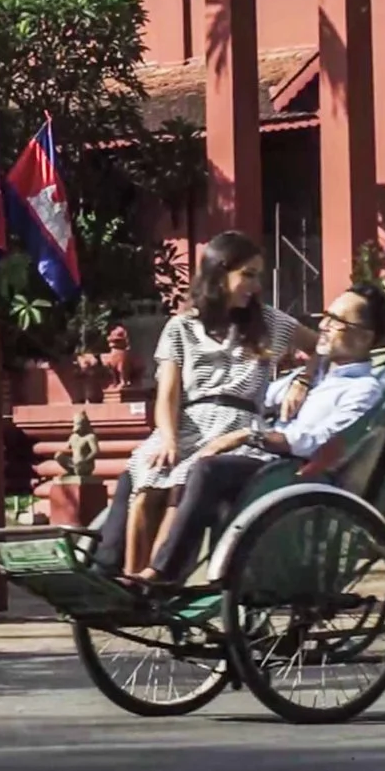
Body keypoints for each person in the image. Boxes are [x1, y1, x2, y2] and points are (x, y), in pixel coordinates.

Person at [131, 281, 385, 584]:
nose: (323, 325)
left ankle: (163, 573)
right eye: (326, 316)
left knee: (206, 470)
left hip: (290, 472)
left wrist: (246, 435)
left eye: (337, 322)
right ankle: (114, 570)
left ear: (365, 336)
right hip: (261, 458)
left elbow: (317, 443)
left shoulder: (363, 390)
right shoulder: (311, 376)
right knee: (156, 462)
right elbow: (258, 397)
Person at [90, 233, 312, 579]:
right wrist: (167, 437)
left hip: (239, 428)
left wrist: (303, 380)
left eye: (257, 276)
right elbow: (168, 394)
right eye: (248, 274)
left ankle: (157, 575)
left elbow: (324, 347)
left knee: (188, 472)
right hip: (189, 421)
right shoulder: (181, 327)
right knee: (142, 471)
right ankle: (109, 571)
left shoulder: (270, 322)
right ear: (220, 273)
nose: (255, 286)